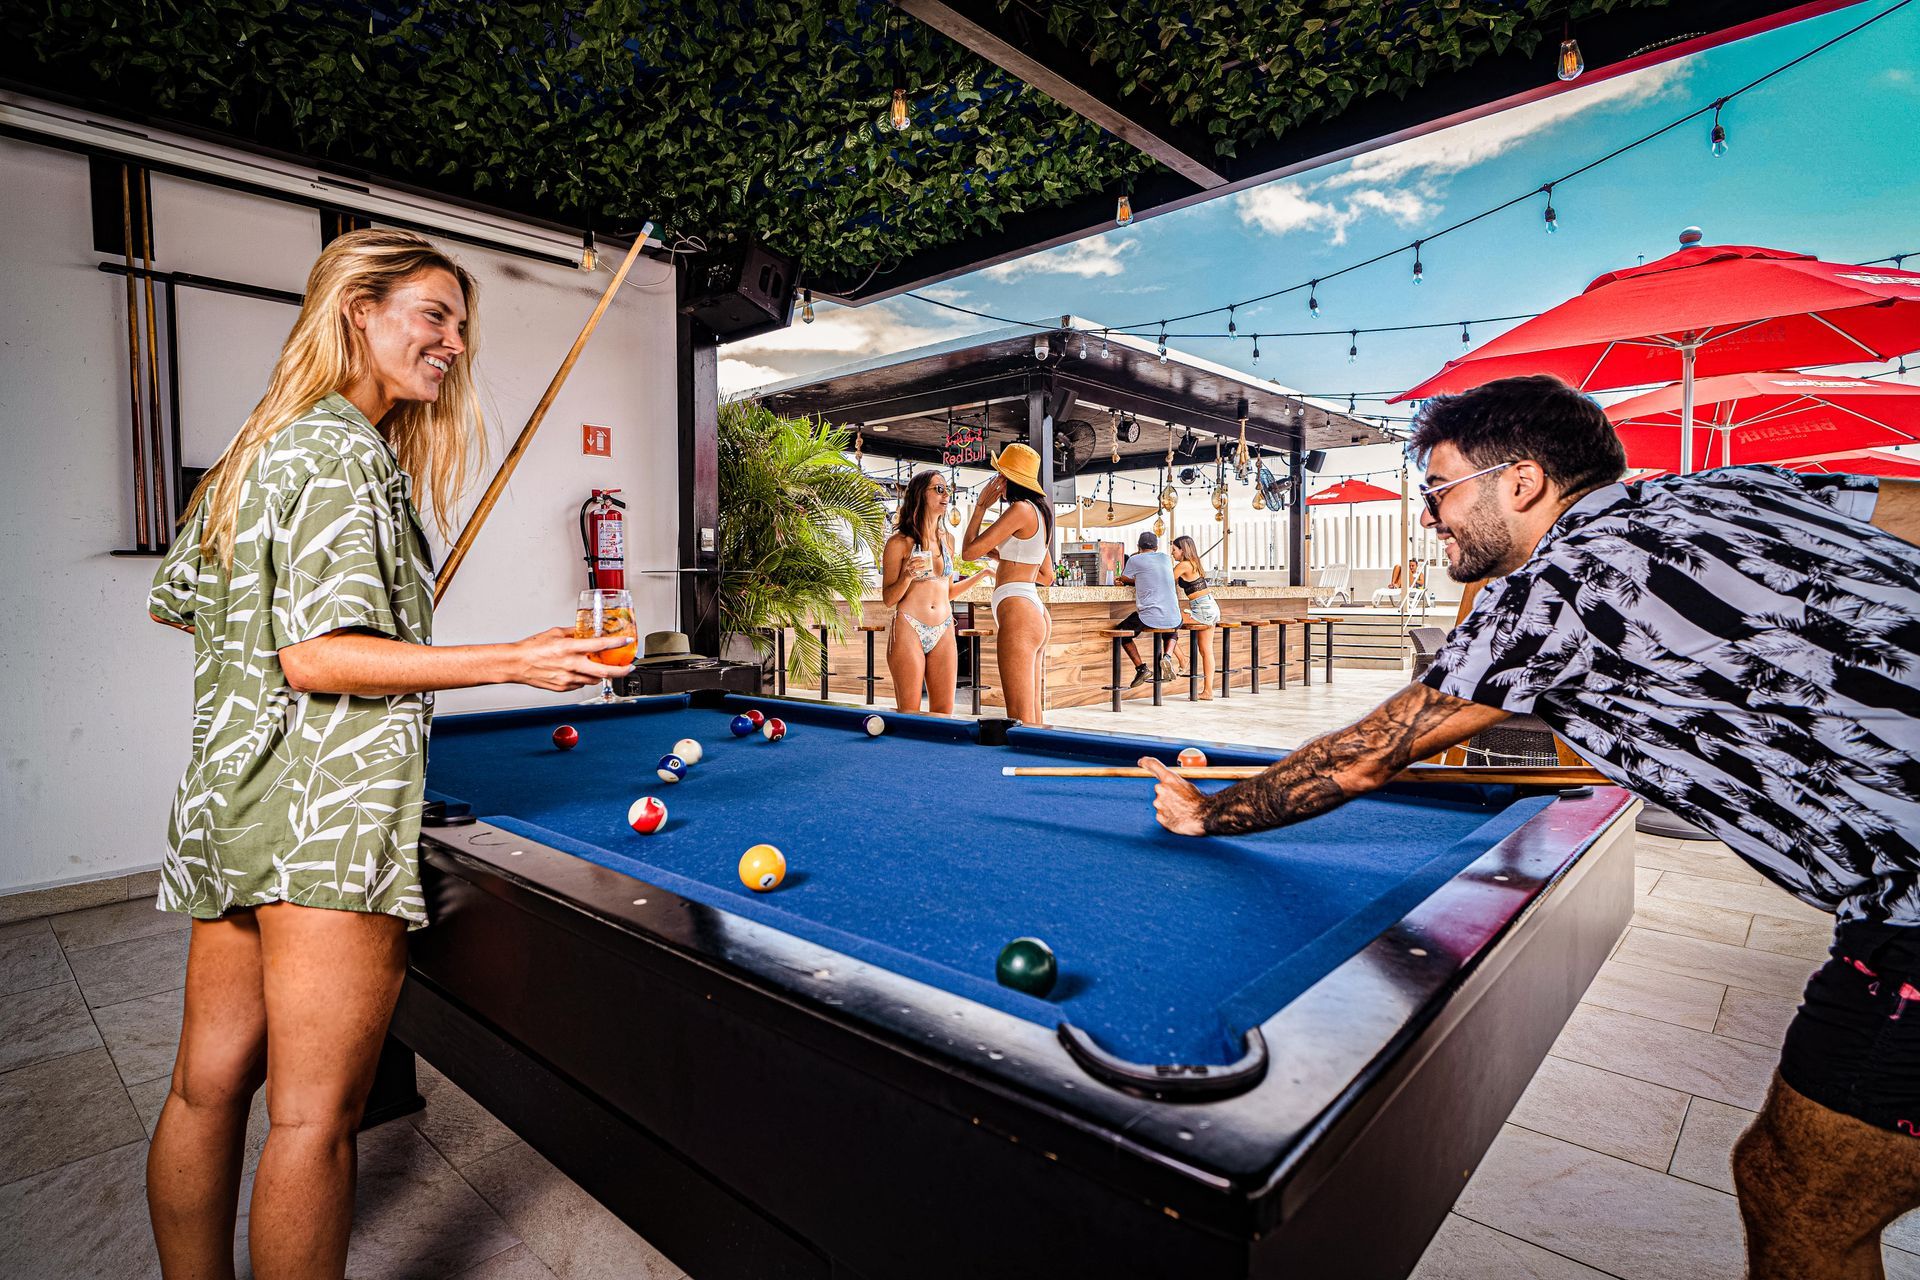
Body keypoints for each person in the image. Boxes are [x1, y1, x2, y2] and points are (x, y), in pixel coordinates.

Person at [1139, 374, 1920, 1280]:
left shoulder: (1549, 588)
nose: (1429, 517)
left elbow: (1363, 758)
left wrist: (1210, 812)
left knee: (1798, 1189)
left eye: (1439, 490)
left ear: (1519, 483)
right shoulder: (1729, 487)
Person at [144, 229, 633, 1279]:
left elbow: (187, 604)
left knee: (206, 1083)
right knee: (313, 1120)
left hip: (232, 794)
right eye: (433, 314)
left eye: (462, 322)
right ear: (358, 310)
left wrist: (358, 631)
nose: (454, 341)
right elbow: (315, 654)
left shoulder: (264, 446)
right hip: (323, 814)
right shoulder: (342, 452)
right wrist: (515, 656)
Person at [879, 470, 991, 714]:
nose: (946, 495)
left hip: (943, 628)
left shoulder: (947, 540)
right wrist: (907, 575)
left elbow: (948, 591)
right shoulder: (899, 543)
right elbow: (889, 599)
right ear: (920, 495)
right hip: (910, 626)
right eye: (939, 489)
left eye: (947, 489)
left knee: (944, 715)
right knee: (909, 714)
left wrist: (980, 576)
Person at [962, 444, 1054, 725]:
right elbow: (1046, 576)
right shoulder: (1039, 511)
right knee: (1032, 714)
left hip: (1019, 613)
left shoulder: (1020, 509)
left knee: (1018, 716)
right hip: (1032, 610)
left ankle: (1023, 767)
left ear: (1008, 479)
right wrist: (1006, 556)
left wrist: (979, 507)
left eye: (1000, 476)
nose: (996, 483)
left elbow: (968, 552)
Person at [1112, 530, 1183, 688]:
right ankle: (1167, 656)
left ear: (1138, 546)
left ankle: (1141, 668)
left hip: (1150, 617)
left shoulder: (1135, 559)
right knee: (1170, 626)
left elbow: (1124, 578)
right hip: (1174, 616)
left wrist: (1124, 581)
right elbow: (1150, 577)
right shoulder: (1165, 558)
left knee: (1122, 632)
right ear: (1156, 547)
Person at [1171, 534, 1220, 698]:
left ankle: (1182, 659)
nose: (1172, 553)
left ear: (1182, 550)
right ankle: (1208, 691)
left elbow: (1165, 579)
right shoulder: (1194, 563)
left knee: (1167, 623)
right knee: (1206, 651)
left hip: (1202, 609)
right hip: (1209, 606)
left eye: (1174, 549)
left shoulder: (1184, 565)